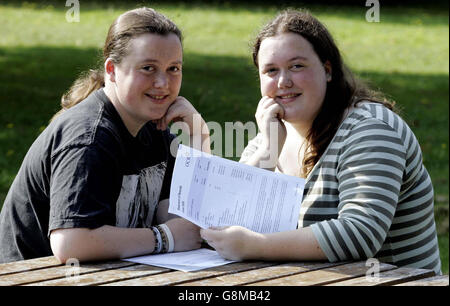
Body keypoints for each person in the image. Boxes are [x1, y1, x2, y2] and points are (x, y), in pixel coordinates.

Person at [200, 9, 442, 275]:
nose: (283, 81)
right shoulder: (267, 138)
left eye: (297, 66)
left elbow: (360, 233)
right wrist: (268, 152)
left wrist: (256, 245)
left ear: (327, 70)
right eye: (271, 70)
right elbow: (220, 228)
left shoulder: (371, 128)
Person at [0, 7, 211, 264]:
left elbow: (185, 223)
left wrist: (200, 136)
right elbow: (71, 243)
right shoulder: (90, 138)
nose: (163, 83)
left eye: (173, 69)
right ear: (112, 70)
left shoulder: (154, 129)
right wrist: (164, 238)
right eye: (148, 68)